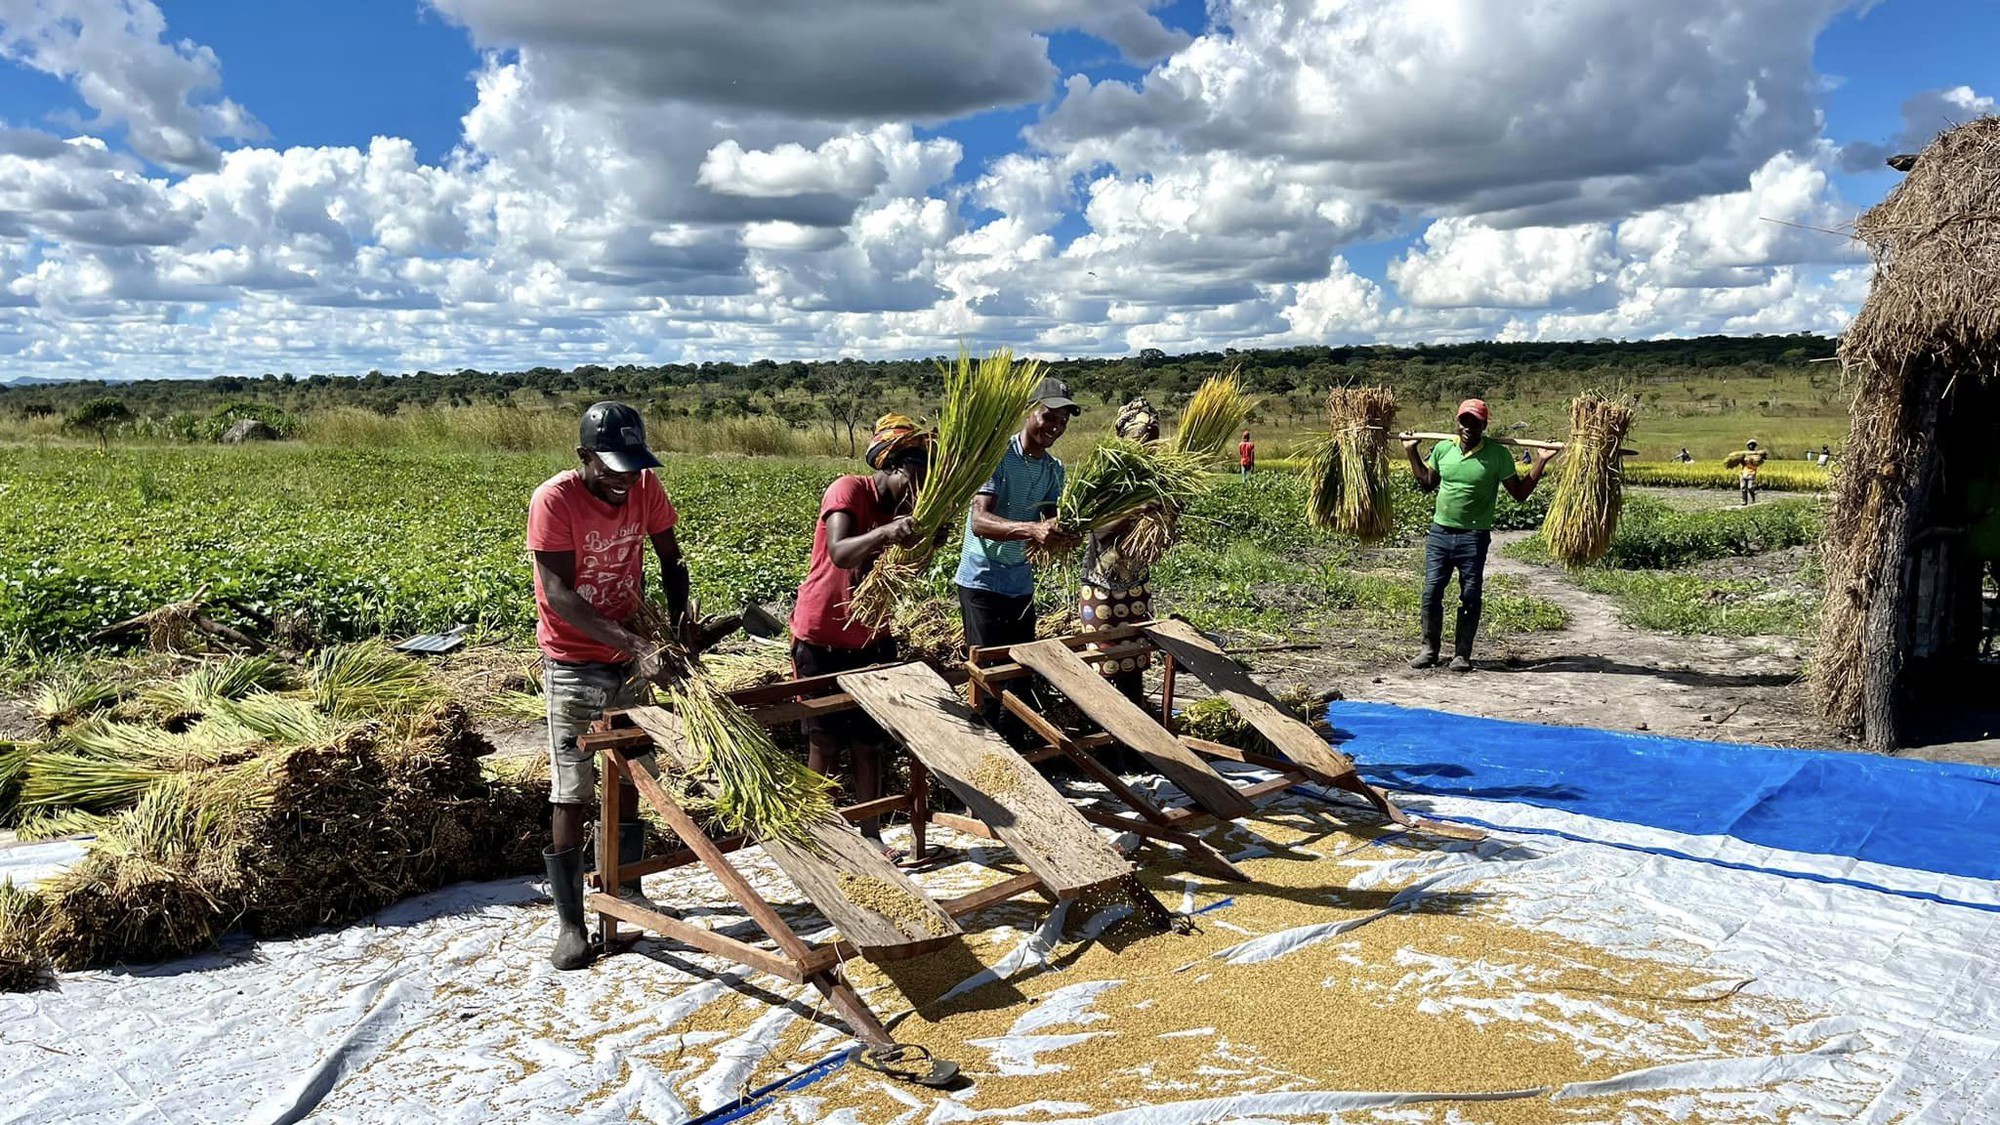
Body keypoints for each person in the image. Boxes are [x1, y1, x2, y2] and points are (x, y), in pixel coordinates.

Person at [528, 401, 695, 970]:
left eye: (633, 466)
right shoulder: (555, 500)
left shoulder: (643, 486)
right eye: (612, 469)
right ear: (584, 457)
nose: (625, 480)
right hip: (575, 661)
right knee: (573, 790)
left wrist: (679, 627)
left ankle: (627, 890)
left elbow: (672, 560)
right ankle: (571, 923)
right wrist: (637, 646)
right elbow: (559, 595)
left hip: (632, 655)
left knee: (630, 774)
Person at [789, 415, 931, 857]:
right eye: (916, 475)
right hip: (823, 636)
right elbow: (840, 552)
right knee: (825, 740)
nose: (919, 487)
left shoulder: (906, 512)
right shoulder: (849, 490)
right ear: (893, 466)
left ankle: (871, 833)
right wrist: (886, 531)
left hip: (871, 638)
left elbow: (904, 573)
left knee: (869, 741)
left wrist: (926, 542)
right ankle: (817, 836)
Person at [957, 376, 1081, 727]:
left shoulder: (1053, 468)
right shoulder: (998, 456)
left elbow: (1049, 518)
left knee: (1021, 671)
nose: (1055, 427)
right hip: (982, 580)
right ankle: (984, 748)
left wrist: (1064, 532)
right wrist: (1031, 530)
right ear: (1030, 412)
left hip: (1019, 582)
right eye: (1048, 416)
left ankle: (1015, 747)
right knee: (989, 674)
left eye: (1062, 421)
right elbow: (980, 521)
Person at [1401, 399, 1558, 672]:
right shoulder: (1443, 449)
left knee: (1470, 594)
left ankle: (1462, 654)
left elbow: (1519, 493)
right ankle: (1429, 650)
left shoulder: (1498, 455)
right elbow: (1427, 483)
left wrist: (1541, 461)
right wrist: (1411, 451)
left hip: (1473, 536)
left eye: (1475, 422)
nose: (1468, 427)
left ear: (1484, 425)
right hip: (1440, 533)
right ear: (1457, 422)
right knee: (1431, 592)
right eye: (1464, 421)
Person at [1081, 400, 1163, 704]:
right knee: (1104, 665)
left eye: (1151, 438)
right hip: (1102, 587)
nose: (1146, 444)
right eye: (1140, 437)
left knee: (1134, 666)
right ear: (1125, 436)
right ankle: (1106, 725)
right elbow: (1098, 528)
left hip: (1136, 585)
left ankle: (1136, 726)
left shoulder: (1155, 477)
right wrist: (1135, 508)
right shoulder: (1108, 474)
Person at [1739, 439, 1767, 506]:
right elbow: (1742, 462)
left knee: (1750, 487)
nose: (1751, 446)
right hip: (1744, 472)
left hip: (1752, 473)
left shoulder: (1757, 454)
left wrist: (1755, 460)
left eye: (1753, 445)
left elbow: (1760, 462)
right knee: (1743, 487)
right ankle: (1744, 501)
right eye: (1750, 445)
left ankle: (1753, 498)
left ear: (1755, 446)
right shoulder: (1745, 454)